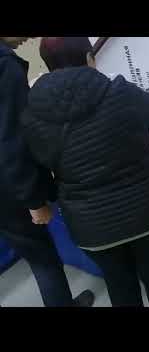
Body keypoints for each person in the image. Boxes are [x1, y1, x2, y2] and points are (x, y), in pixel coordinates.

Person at [21, 37, 149, 307]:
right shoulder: (119, 91)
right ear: (90, 57)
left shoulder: (32, 113)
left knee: (120, 286)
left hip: (91, 226)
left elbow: (36, 167)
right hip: (148, 210)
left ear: (47, 66)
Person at [0, 37, 94, 307]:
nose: (30, 37)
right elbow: (11, 142)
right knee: (44, 260)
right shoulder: (5, 67)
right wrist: (33, 200)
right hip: (9, 189)